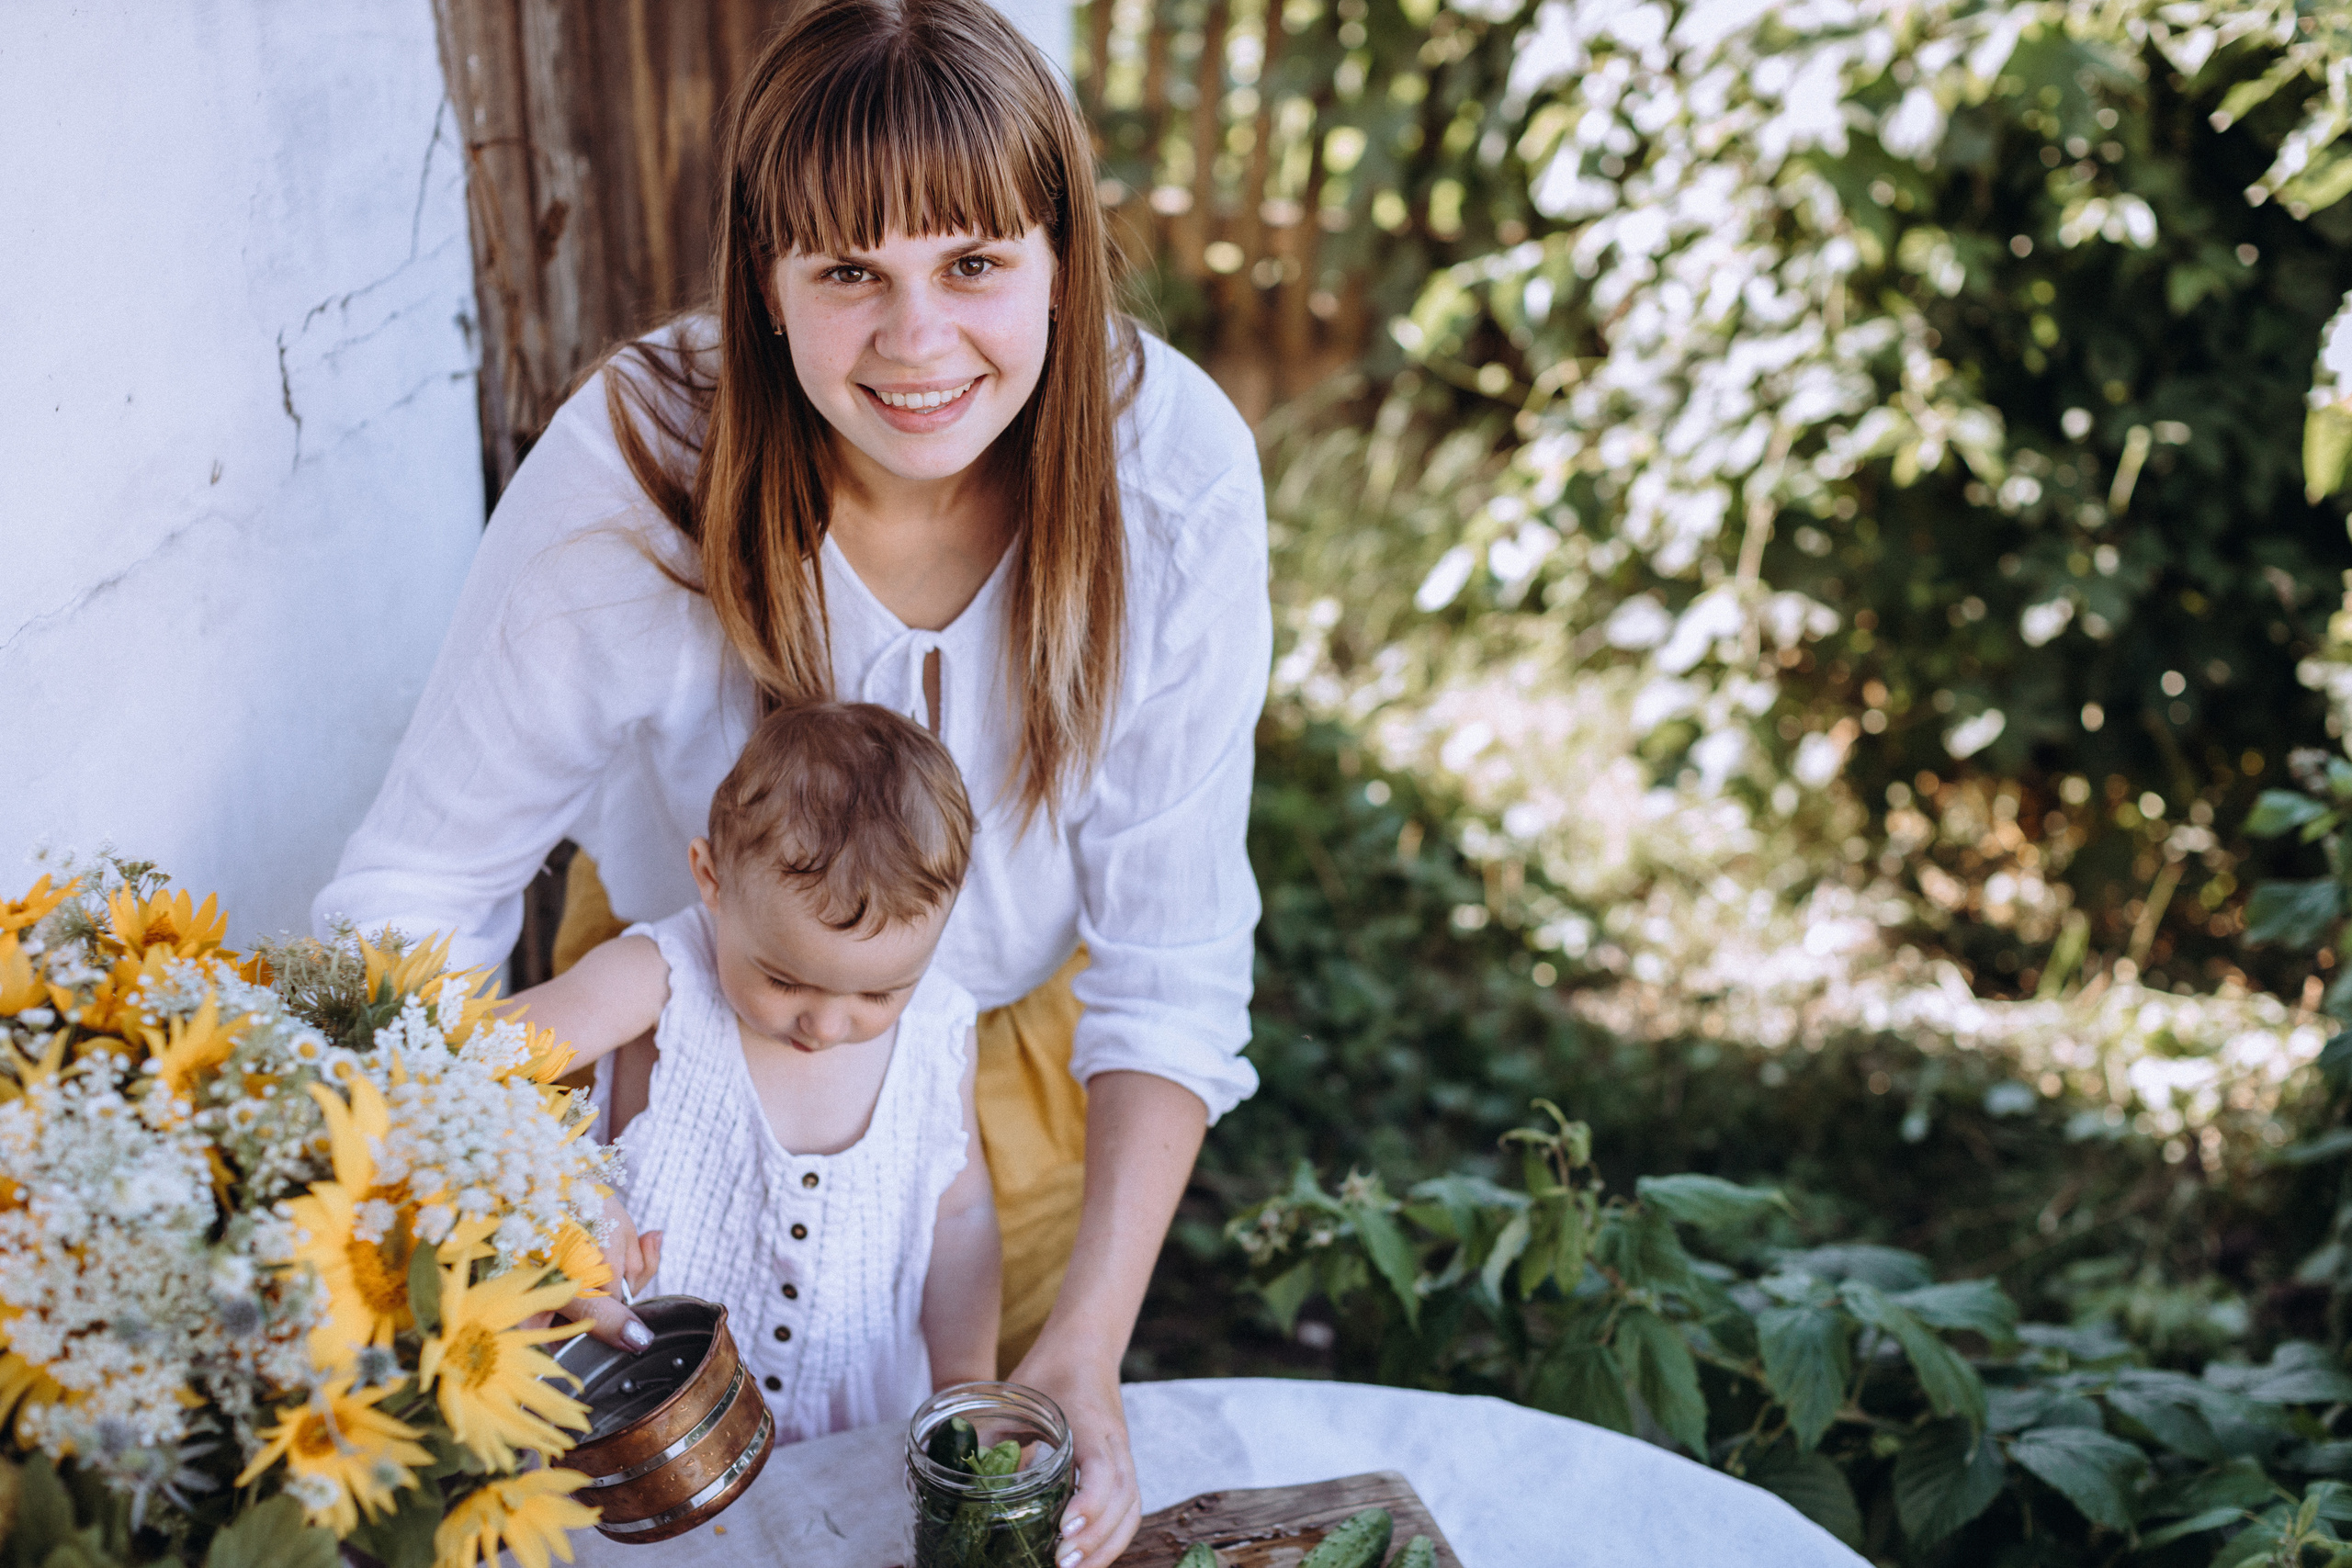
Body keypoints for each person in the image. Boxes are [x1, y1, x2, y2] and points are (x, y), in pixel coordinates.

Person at [313, 0, 1269, 1560]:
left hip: (1003, 1090)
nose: (917, 343)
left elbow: (1171, 965)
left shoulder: (1175, 483)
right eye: (848, 275)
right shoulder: (636, 472)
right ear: (765, 283)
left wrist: (1080, 1347)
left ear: (1062, 256)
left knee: (914, 1490)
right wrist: (509, 1190)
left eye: (974, 263)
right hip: (650, 1064)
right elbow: (422, 881)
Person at [507, 702, 1001, 1435]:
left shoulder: (940, 1033)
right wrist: (563, 1188)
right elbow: (466, 1062)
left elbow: (959, 1217)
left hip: (856, 1420)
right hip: (645, 1415)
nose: (828, 1024)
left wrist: (967, 1386)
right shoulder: (657, 979)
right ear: (712, 879)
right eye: (783, 979)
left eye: (879, 991)